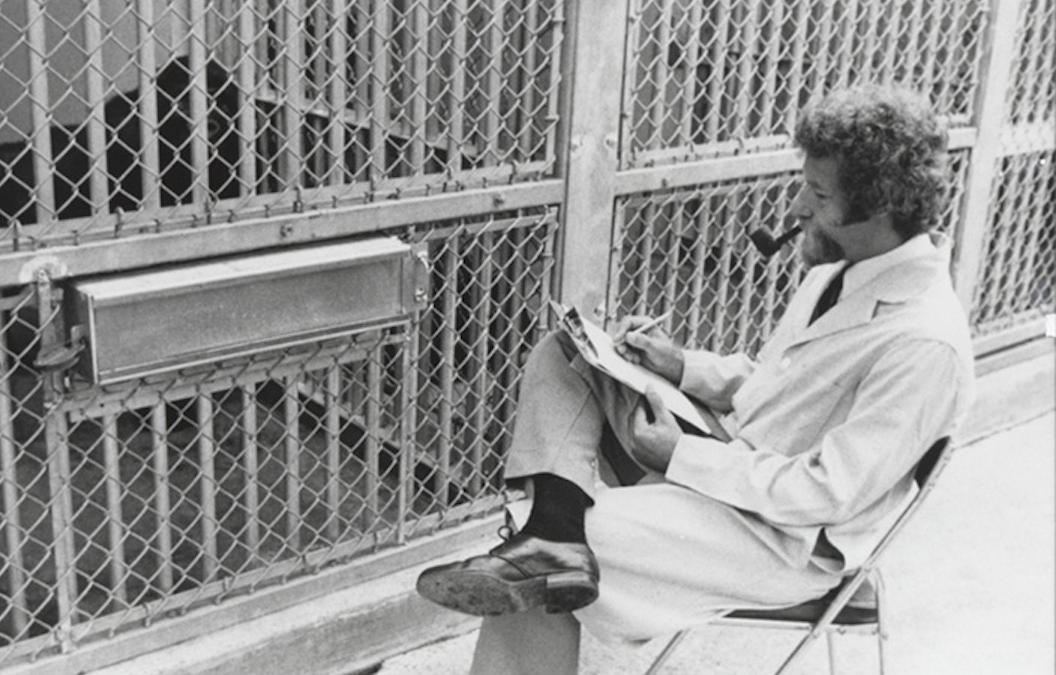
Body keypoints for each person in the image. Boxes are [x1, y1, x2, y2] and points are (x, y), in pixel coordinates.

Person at [414, 83, 975, 673]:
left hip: (782, 540)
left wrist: (681, 456)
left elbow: (827, 493)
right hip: (732, 460)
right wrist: (678, 364)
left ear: (880, 207)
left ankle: (552, 538)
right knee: (568, 353)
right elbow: (777, 383)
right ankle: (556, 528)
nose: (797, 208)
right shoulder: (845, 268)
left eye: (818, 192)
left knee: (538, 564)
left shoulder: (925, 343)